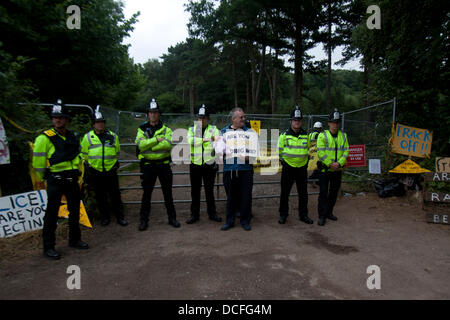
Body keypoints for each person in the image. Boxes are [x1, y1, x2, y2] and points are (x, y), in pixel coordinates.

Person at [32, 101, 88, 260]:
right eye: (55, 117)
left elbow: (78, 155)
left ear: (67, 120)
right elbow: (37, 162)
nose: (58, 120)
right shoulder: (44, 138)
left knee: (75, 211)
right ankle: (48, 247)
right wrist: (45, 177)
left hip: (71, 179)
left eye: (61, 117)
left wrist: (78, 173)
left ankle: (75, 239)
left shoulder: (71, 136)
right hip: (55, 180)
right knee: (51, 214)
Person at [135, 99, 180, 231]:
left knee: (168, 194)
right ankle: (143, 221)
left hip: (164, 165)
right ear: (148, 114)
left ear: (159, 114)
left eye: (155, 112)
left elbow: (167, 144)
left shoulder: (166, 129)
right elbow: (140, 145)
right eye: (151, 112)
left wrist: (149, 144)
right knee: (146, 194)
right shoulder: (141, 128)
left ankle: (172, 218)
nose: (153, 115)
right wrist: (156, 140)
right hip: (148, 166)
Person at [81, 106, 128, 227]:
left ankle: (120, 217)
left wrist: (112, 164)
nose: (100, 124)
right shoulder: (87, 138)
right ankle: (104, 217)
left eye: (102, 122)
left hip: (110, 170)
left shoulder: (113, 136)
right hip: (96, 171)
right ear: (93, 124)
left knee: (115, 195)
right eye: (97, 122)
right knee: (100, 196)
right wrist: (91, 166)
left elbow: (117, 151)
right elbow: (84, 155)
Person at [215, 107, 258, 231]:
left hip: (246, 170)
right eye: (241, 117)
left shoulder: (251, 133)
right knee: (231, 197)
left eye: (244, 117)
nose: (244, 119)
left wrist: (248, 158)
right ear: (233, 119)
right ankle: (230, 221)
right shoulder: (223, 132)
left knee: (246, 196)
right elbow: (218, 152)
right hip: (230, 170)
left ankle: (245, 221)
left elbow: (255, 155)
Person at [186, 105, 222, 224]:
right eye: (199, 118)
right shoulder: (192, 129)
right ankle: (194, 215)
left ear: (208, 119)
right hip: (195, 165)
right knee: (195, 191)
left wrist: (205, 141)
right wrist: (206, 140)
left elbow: (216, 142)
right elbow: (190, 141)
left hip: (209, 165)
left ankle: (212, 214)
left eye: (204, 118)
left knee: (209, 191)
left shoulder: (214, 128)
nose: (201, 120)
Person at [278, 106, 313, 225]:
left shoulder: (306, 135)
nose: (296, 122)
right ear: (291, 121)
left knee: (303, 193)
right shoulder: (284, 135)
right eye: (294, 120)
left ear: (301, 121)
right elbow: (279, 151)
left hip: (302, 168)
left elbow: (308, 149)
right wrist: (285, 162)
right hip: (288, 167)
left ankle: (303, 215)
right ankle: (283, 214)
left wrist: (304, 162)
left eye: (298, 120)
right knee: (285, 193)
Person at [316, 109, 349, 226]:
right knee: (323, 193)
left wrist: (339, 164)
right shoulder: (322, 135)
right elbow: (320, 152)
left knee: (334, 193)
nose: (335, 124)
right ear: (329, 123)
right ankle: (321, 215)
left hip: (337, 170)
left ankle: (329, 212)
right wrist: (330, 163)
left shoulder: (343, 136)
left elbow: (346, 151)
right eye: (333, 122)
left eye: (337, 122)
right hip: (325, 170)